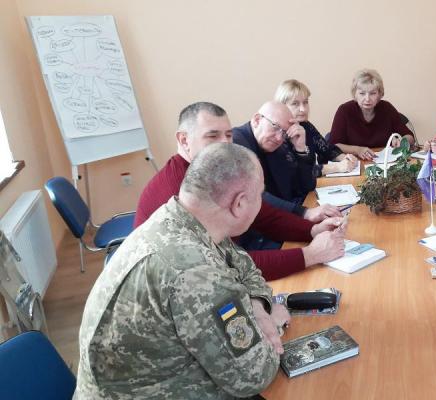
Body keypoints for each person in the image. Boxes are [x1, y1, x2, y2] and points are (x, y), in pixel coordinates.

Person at [76, 143, 286, 398]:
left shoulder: (182, 219)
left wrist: (257, 307)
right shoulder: (193, 271)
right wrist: (273, 323)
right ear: (239, 204)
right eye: (260, 194)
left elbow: (244, 266)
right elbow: (254, 375)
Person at [135, 102, 345, 280]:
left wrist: (311, 230)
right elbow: (226, 265)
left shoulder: (213, 170)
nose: (225, 143)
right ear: (184, 140)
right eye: (212, 136)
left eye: (228, 135)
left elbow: (261, 214)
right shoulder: (182, 190)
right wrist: (310, 255)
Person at [233, 100, 336, 214]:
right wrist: (305, 213)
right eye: (276, 127)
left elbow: (307, 186)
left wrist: (300, 149)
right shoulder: (235, 144)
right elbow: (254, 196)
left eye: (284, 133)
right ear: (257, 120)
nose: (279, 138)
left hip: (284, 214)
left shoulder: (277, 146)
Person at [275, 79, 358, 176]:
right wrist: (337, 167)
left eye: (305, 102)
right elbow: (297, 172)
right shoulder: (277, 135)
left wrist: (345, 158)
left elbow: (327, 149)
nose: (303, 109)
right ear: (282, 106)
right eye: (295, 104)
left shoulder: (305, 125)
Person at [329, 69, 415, 159]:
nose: (367, 99)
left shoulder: (387, 108)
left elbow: (410, 137)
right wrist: (357, 150)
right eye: (362, 93)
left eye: (372, 93)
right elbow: (334, 145)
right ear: (355, 94)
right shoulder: (344, 110)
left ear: (379, 94)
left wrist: (402, 141)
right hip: (354, 162)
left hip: (384, 162)